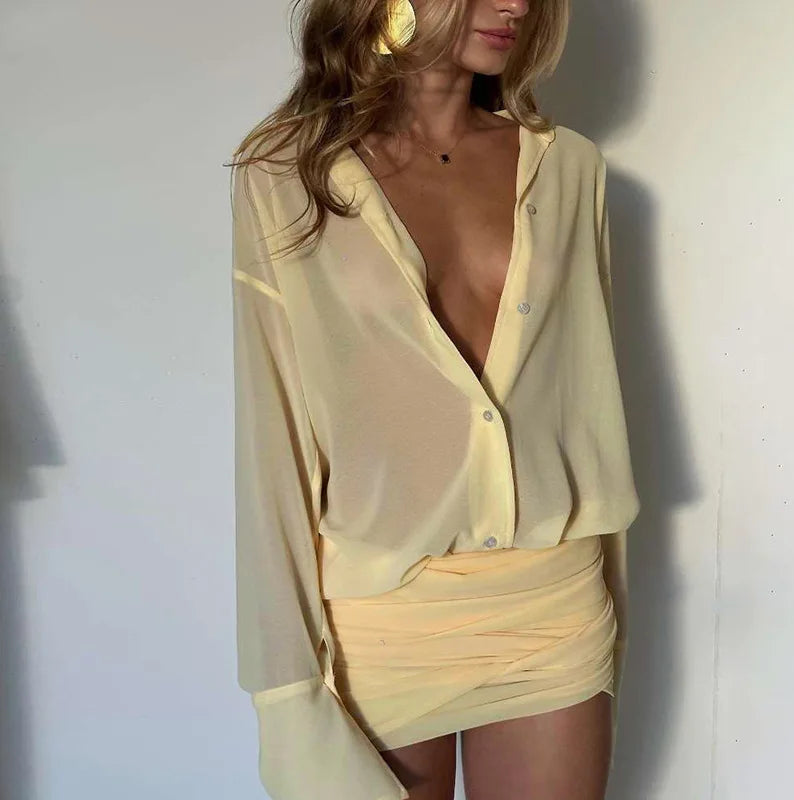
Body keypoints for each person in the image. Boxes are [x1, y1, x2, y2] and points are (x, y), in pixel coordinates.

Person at [226, 1, 640, 798]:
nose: (516, 4)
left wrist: (617, 610)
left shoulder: (568, 168)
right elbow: (271, 435)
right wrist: (283, 682)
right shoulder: (283, 175)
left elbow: (589, 406)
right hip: (381, 618)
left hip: (549, 603)